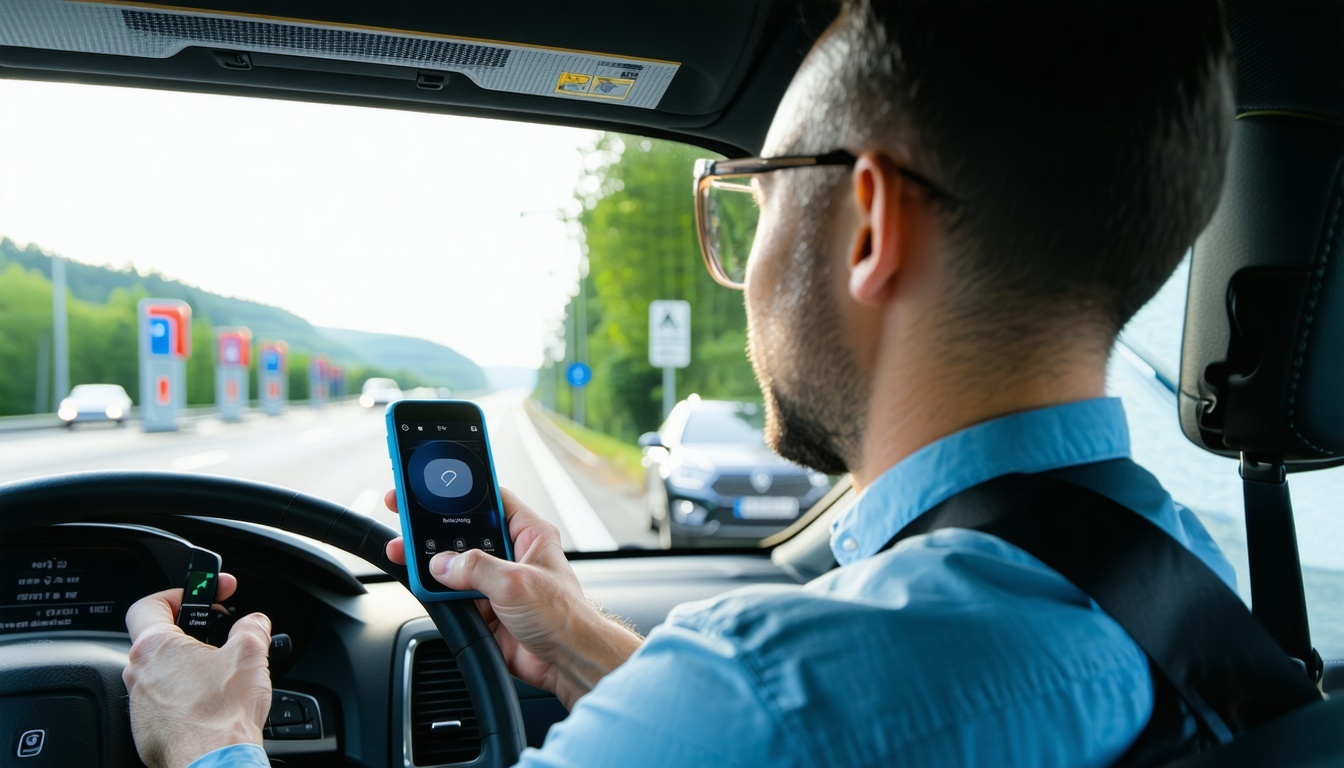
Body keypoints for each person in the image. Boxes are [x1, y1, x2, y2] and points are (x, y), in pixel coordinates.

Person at [123, 0, 1236, 765]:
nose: (744, 267)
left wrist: (208, 740)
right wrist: (586, 644)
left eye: (754, 198)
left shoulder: (763, 697)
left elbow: (772, 723)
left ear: (870, 229)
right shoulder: (1191, 587)